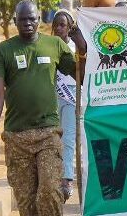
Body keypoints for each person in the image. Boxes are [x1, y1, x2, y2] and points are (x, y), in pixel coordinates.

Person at [0, 0, 83, 216]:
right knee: (26, 202)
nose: (28, 23)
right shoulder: (3, 51)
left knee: (49, 191)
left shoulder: (54, 45)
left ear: (39, 20)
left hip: (48, 133)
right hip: (17, 137)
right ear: (15, 21)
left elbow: (80, 75)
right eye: (23, 19)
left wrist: (82, 47)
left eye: (32, 18)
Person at [50, 11, 89, 202]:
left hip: (71, 96)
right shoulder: (48, 46)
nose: (58, 28)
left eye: (62, 25)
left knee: (68, 139)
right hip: (51, 97)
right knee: (52, 140)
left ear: (69, 26)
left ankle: (67, 179)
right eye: (55, 25)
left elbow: (83, 72)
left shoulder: (77, 47)